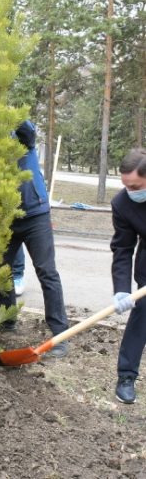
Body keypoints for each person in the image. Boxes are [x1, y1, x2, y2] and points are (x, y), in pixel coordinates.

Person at [0, 120, 69, 357]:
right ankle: (8, 323)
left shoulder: (21, 137)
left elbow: (28, 129)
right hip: (6, 217)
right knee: (2, 272)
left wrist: (11, 115)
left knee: (47, 272)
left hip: (35, 213)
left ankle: (60, 336)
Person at [110, 148, 146, 404]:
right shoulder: (122, 204)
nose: (131, 192)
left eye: (135, 186)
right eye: (126, 186)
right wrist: (122, 289)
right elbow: (122, 248)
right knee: (142, 316)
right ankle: (126, 376)